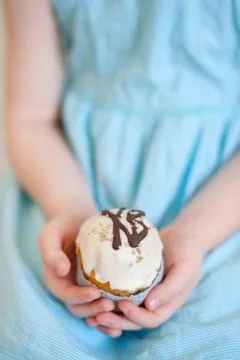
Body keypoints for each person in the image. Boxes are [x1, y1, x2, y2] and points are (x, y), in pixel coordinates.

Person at [1, 0, 240, 359]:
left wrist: (195, 234)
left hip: (217, 211)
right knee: (25, 338)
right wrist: (68, 209)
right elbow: (30, 122)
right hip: (68, 189)